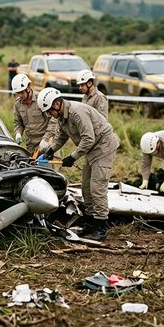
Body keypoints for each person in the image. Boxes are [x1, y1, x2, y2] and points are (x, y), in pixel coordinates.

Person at [38, 88, 119, 241]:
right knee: (86, 188)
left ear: (57, 103)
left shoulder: (76, 112)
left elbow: (88, 138)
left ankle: (101, 227)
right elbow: (60, 137)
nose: (49, 115)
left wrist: (72, 157)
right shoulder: (61, 117)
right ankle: (90, 223)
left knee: (97, 187)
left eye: (49, 111)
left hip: (104, 146)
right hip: (91, 150)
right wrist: (50, 150)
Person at [11, 74, 56, 153]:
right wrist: (18, 133)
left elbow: (53, 120)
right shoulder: (18, 104)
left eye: (22, 92)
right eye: (18, 93)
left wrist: (46, 139)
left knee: (48, 164)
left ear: (29, 87)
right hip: (31, 144)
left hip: (47, 141)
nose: (20, 95)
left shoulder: (41, 100)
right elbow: (18, 123)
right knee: (32, 164)